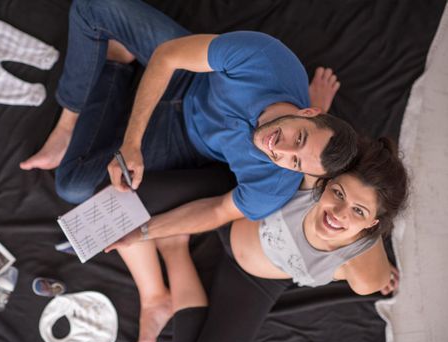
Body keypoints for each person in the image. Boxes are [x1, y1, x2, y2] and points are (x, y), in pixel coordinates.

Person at [19, 0, 357, 232]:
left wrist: (143, 234)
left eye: (294, 162)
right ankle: (68, 122)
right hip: (190, 73)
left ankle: (116, 65)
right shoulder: (266, 57)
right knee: (93, 7)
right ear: (309, 112)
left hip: (181, 139)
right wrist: (131, 142)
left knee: (72, 186)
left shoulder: (275, 184)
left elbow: (217, 211)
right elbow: (167, 58)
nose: (279, 149)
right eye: (298, 138)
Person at [106, 138, 408, 342]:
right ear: (328, 183)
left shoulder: (362, 270)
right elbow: (307, 142)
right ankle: (154, 292)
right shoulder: (313, 179)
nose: (338, 214)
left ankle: (175, 251)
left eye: (358, 211)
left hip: (255, 278)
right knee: (115, 201)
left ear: (373, 226)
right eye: (339, 194)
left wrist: (373, 252)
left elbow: (374, 272)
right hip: (230, 207)